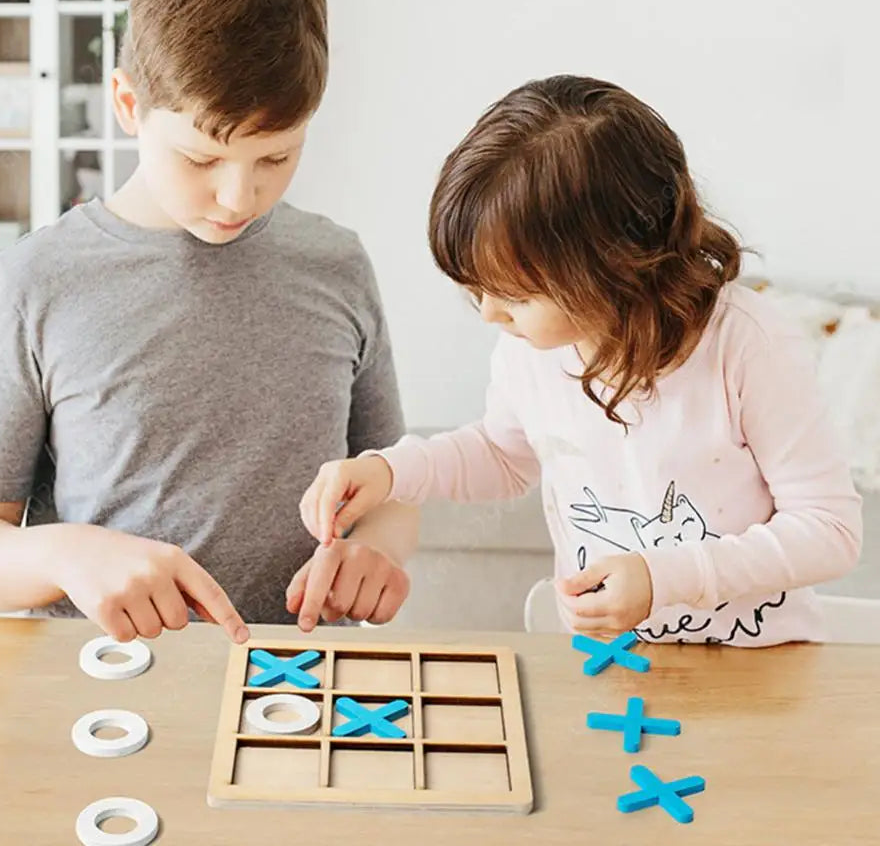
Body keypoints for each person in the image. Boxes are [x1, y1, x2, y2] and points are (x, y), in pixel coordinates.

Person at [0, 0, 417, 644]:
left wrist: (377, 549)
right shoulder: (38, 281)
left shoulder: (336, 264)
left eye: (275, 160)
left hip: (291, 693)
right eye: (200, 159)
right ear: (128, 105)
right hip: (103, 700)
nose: (238, 197)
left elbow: (393, 483)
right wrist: (66, 552)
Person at [300, 75, 862, 646]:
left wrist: (662, 578)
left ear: (609, 269)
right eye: (478, 290)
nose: (491, 315)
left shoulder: (748, 346)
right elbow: (502, 454)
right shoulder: (530, 350)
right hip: (612, 667)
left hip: (760, 674)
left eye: (515, 296)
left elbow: (830, 528)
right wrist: (391, 471)